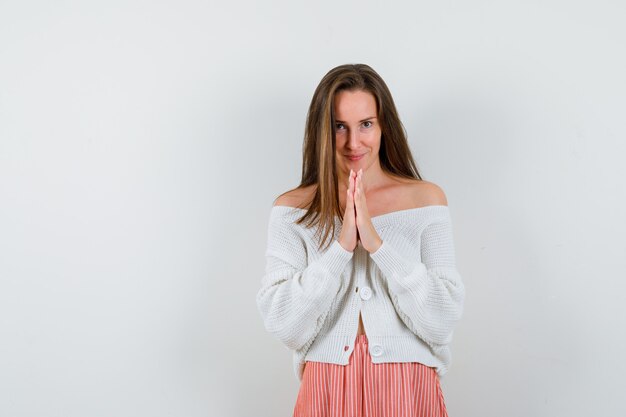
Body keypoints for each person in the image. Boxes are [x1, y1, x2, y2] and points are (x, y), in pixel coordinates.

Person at [256, 63, 465, 417]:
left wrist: (378, 245)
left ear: (384, 126)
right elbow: (284, 323)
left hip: (408, 387)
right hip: (327, 386)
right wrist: (340, 249)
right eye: (340, 127)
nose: (354, 143)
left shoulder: (426, 200)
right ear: (321, 131)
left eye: (366, 124)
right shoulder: (293, 209)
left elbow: (441, 321)